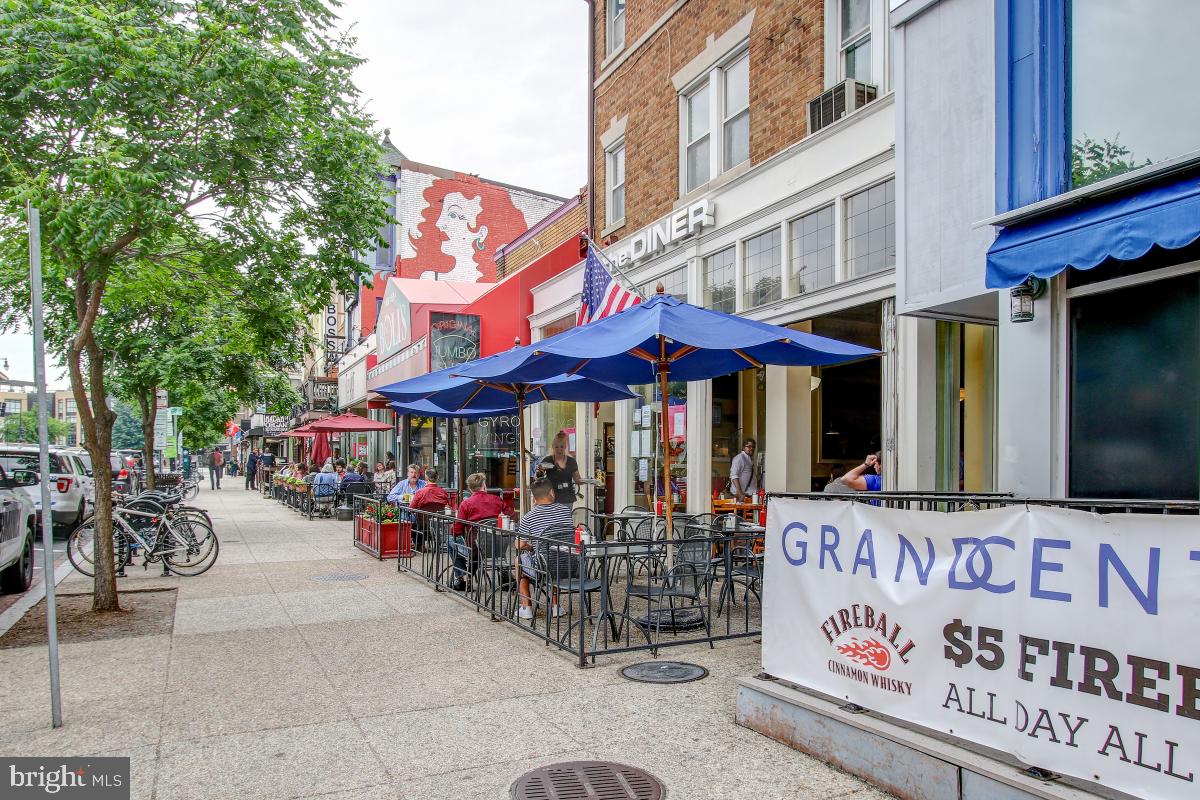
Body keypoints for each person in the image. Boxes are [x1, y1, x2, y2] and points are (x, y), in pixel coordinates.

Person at [514, 479, 573, 620]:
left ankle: (526, 607)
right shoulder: (565, 511)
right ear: (552, 492)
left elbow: (519, 545)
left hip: (544, 568)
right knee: (555, 555)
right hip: (569, 565)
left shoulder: (529, 517)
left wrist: (532, 547)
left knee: (519, 560)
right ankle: (555, 606)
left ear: (533, 497)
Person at [449, 472, 507, 590]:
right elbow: (513, 518)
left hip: (475, 547)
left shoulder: (466, 504)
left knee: (450, 540)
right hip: (499, 546)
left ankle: (463, 577)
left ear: (470, 489)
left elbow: (456, 530)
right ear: (484, 486)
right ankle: (506, 574)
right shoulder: (497, 500)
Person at [534, 431, 583, 506]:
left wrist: (588, 481)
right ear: (553, 447)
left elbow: (577, 480)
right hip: (550, 499)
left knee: (565, 518)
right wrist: (539, 472)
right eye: (556, 447)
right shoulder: (548, 460)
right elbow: (537, 478)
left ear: (565, 447)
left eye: (561, 447)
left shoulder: (571, 461)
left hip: (567, 499)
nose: (559, 449)